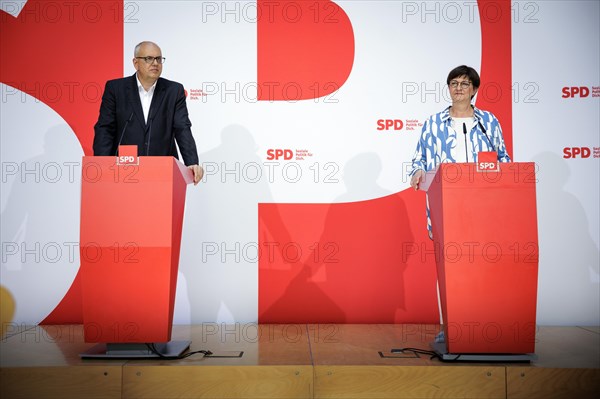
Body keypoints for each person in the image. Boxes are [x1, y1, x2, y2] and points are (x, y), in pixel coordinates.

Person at [408, 65, 511, 236]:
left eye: (464, 84)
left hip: (484, 200)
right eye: (453, 83)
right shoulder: (433, 123)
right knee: (451, 256)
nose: (458, 88)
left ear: (474, 89)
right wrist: (418, 171)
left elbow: (503, 158)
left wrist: (508, 183)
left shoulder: (489, 121)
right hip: (446, 200)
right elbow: (420, 158)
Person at [93, 41, 203, 184]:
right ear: (135, 63)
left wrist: (192, 162)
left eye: (158, 59)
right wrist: (103, 165)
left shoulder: (174, 91)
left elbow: (182, 128)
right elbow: (105, 128)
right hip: (123, 171)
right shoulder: (115, 89)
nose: (155, 63)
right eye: (148, 59)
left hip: (163, 171)